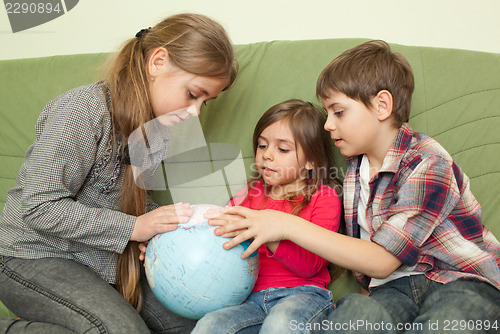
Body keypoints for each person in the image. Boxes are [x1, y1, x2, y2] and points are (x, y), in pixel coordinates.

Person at [207, 41, 500, 333]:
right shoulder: (353, 170)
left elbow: (382, 260)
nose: (327, 125)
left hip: (460, 282)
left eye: (338, 112)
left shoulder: (427, 162)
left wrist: (284, 225)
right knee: (353, 318)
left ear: (382, 106)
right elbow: (372, 273)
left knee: (448, 324)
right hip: (392, 292)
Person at [0, 13, 237, 334]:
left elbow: (127, 199)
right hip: (29, 254)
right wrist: (134, 227)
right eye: (193, 94)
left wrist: (178, 223)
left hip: (98, 258)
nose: (195, 111)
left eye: (205, 102)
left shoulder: (159, 131)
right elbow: (40, 207)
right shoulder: (81, 111)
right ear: (158, 62)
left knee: (194, 327)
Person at [192, 99, 342, 334]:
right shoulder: (247, 194)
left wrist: (268, 235)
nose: (267, 156)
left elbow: (311, 265)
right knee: (210, 325)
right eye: (262, 146)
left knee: (280, 325)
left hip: (304, 295)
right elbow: (217, 232)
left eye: (282, 149)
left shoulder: (324, 198)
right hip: (248, 300)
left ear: (311, 160)